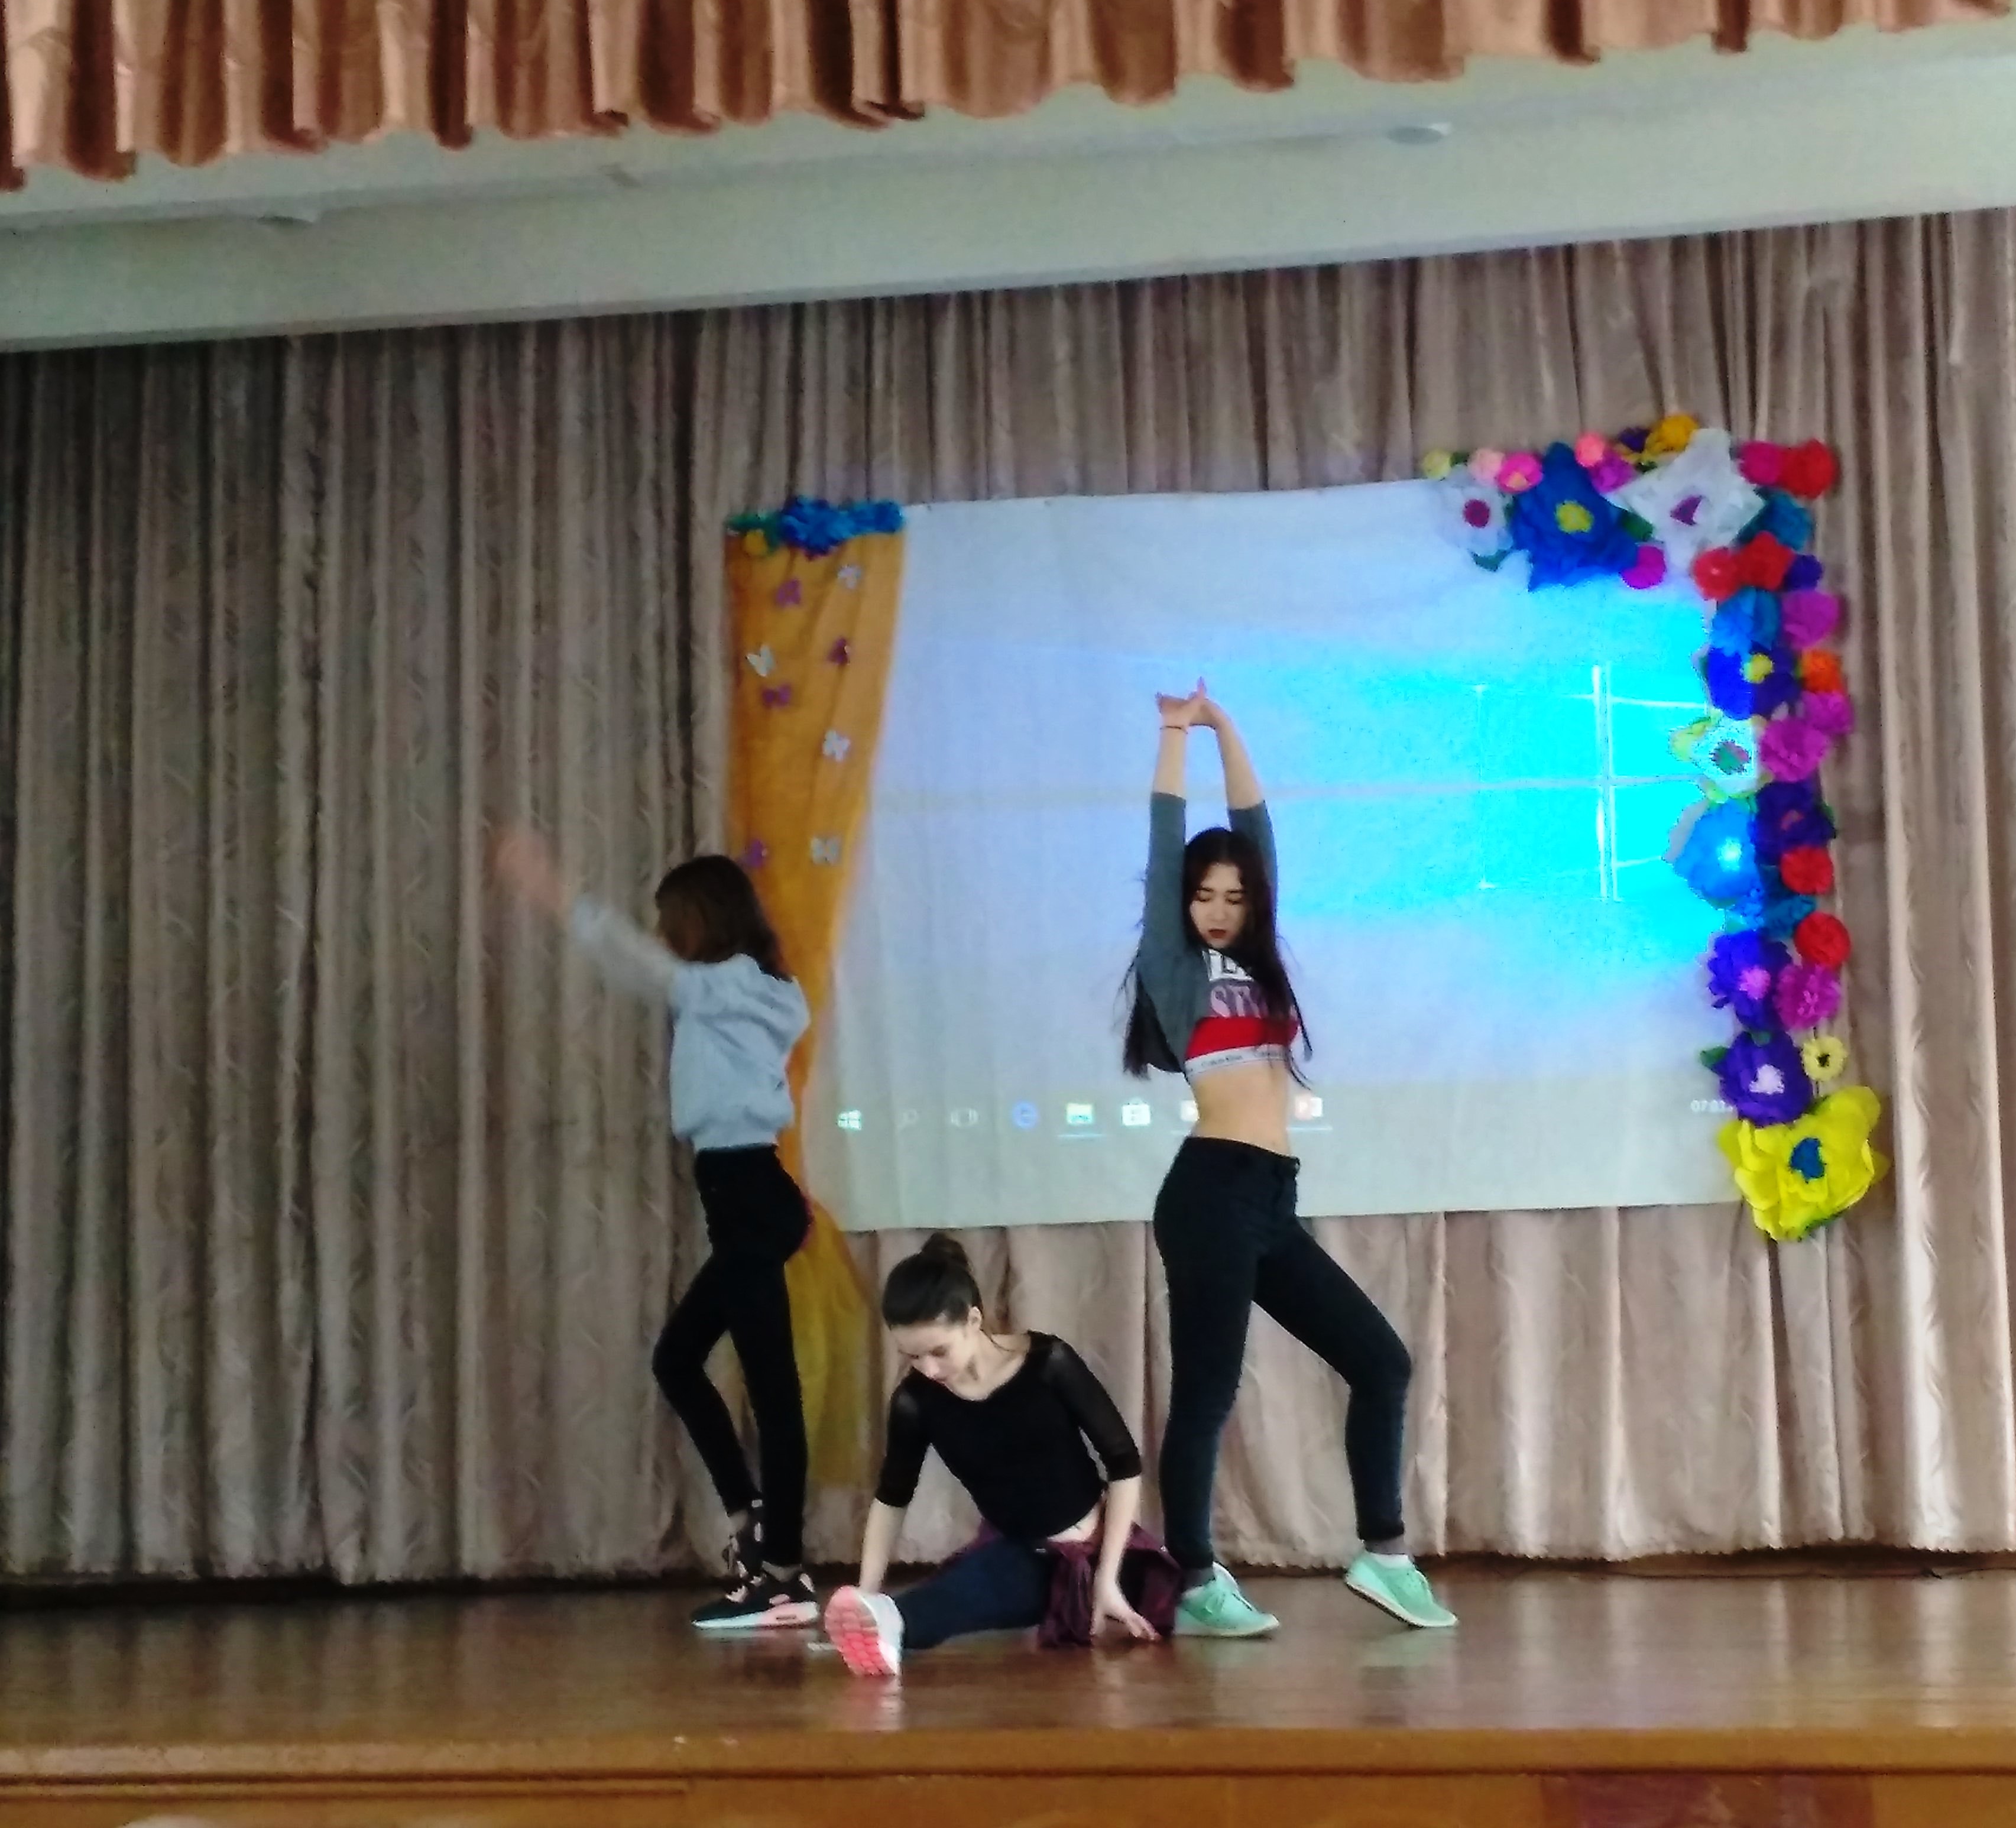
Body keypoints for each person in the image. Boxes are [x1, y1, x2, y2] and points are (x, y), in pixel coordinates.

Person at [1123, 682, 1454, 1638]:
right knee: (1208, 1394)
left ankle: (1384, 1555)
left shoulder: (1260, 959)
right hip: (1210, 1192)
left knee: (1381, 1364)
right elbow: (1164, 843)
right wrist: (1175, 735)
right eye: (1204, 895)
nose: (1218, 909)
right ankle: (1195, 1580)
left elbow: (1257, 834)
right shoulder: (1176, 968)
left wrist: (1228, 724)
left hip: (1270, 1197)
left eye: (1234, 897)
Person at [494, 831, 822, 1631]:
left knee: (772, 1391)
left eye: (672, 919)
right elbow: (650, 971)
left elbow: (638, 965)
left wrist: (555, 893)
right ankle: (754, 1529)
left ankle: (784, 1574)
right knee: (678, 1360)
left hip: (747, 1193)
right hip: (746, 1194)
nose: (665, 934)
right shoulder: (752, 989)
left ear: (703, 918)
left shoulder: (725, 986)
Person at [824, 1236, 1179, 1677]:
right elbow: (892, 1498)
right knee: (972, 1585)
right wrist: (867, 1591)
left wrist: (1107, 1578)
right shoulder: (916, 1402)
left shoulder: (1048, 1363)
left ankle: (891, 1624)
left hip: (1099, 1553)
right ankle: (884, 1621)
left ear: (973, 1320)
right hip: (1018, 1553)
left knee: (1153, 1592)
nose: (928, 1369)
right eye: (912, 1357)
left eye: (939, 1352)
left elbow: (1125, 1464)